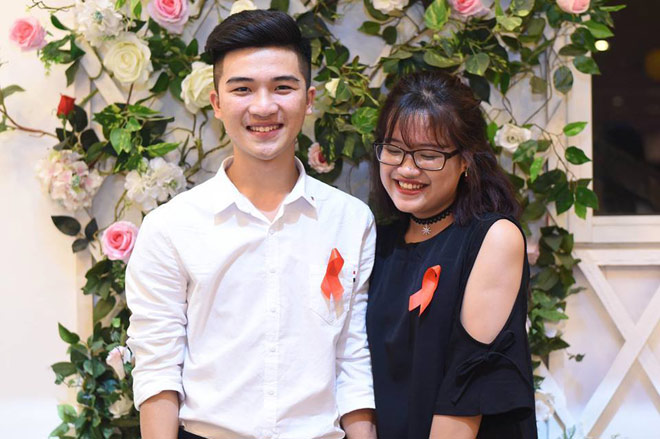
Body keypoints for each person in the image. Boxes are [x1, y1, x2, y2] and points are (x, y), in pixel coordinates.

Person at [126, 10, 377, 439]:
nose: (263, 106)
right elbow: (157, 367)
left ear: (309, 99)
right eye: (242, 89)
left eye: (282, 87)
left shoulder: (350, 220)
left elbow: (353, 358)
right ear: (217, 103)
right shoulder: (171, 226)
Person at [366, 70, 537, 439]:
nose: (406, 169)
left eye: (428, 155)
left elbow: (466, 389)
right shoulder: (378, 242)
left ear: (466, 161)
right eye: (393, 150)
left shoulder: (493, 238)